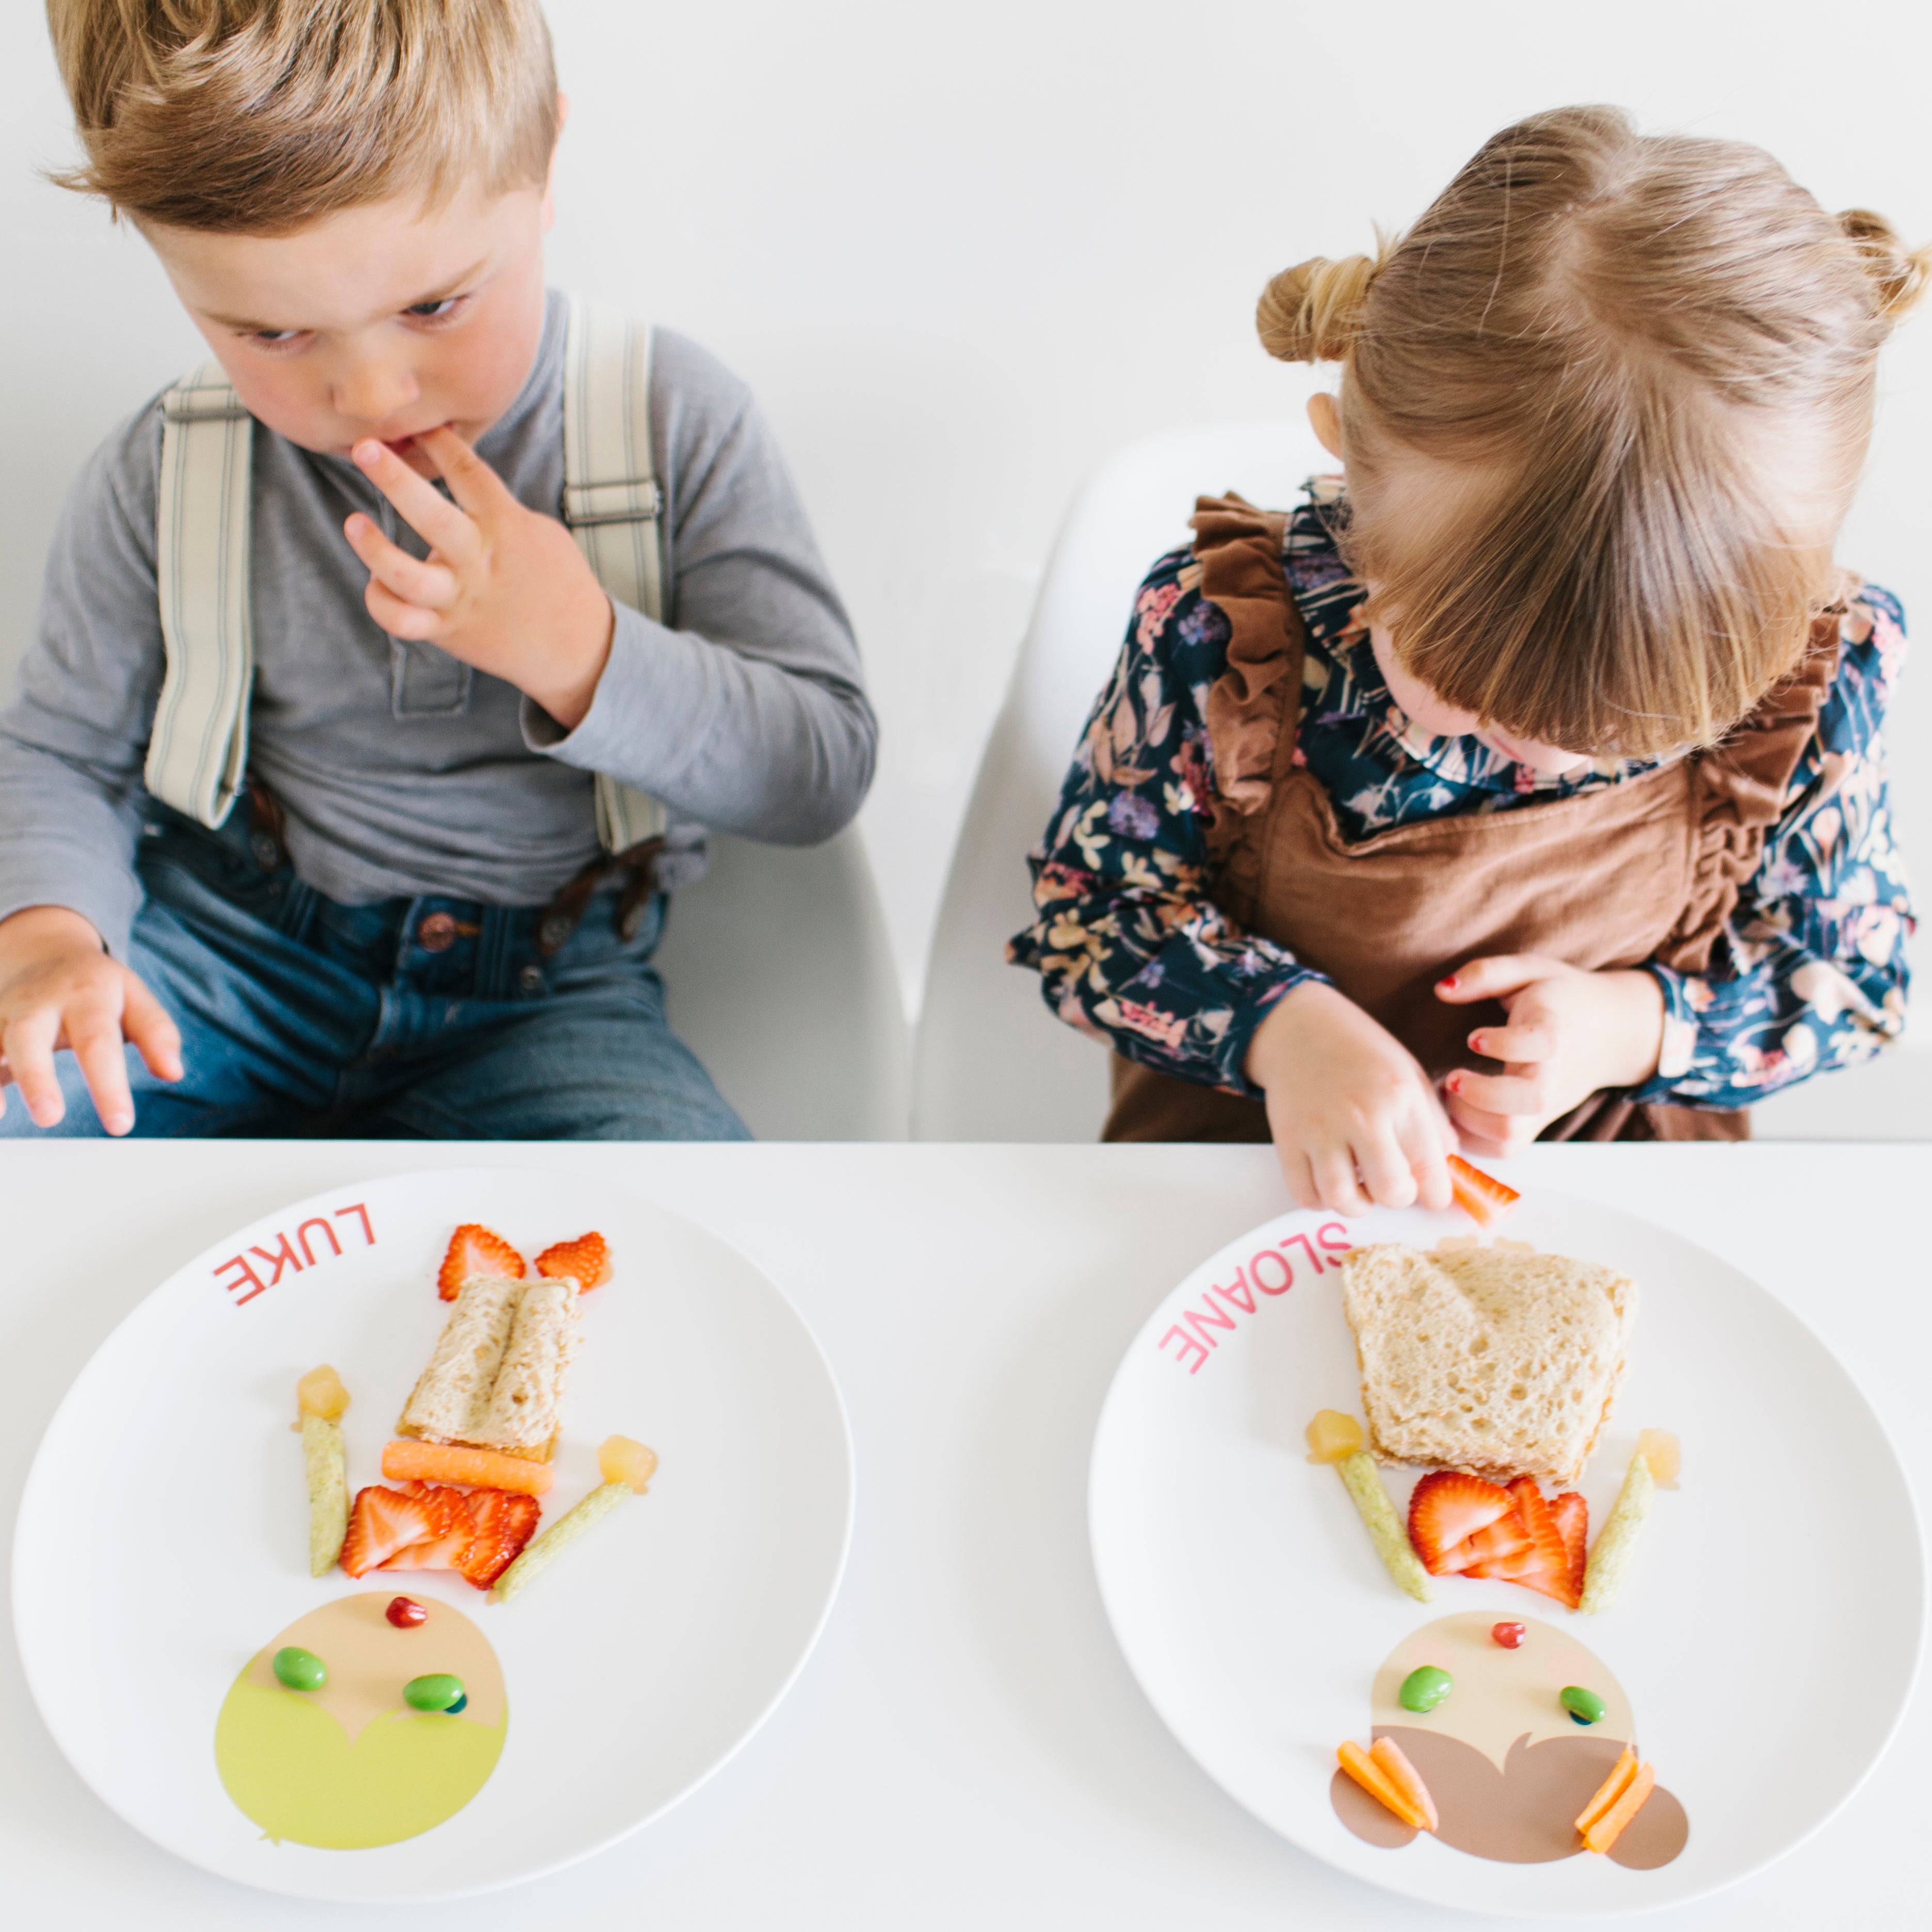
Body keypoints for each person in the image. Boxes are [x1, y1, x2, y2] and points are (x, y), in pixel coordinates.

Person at [1011, 106, 1927, 1215]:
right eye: (1461, 690)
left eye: (1626, 737)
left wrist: (1630, 1026)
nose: (1535, 757)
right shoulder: (1221, 635)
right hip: (1241, 1184)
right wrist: (1279, 1026)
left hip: (1613, 1199)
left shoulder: (1817, 680)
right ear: (1348, 460)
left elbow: (1854, 980)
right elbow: (1093, 912)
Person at [0, 0, 874, 1140]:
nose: (368, 395)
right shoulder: (171, 465)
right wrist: (52, 931)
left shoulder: (671, 425)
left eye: (433, 304)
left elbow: (821, 770)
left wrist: (580, 651)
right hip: (226, 963)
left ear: (546, 161)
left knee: (674, 1204)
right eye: (271, 333)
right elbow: (65, 750)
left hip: (543, 1006)